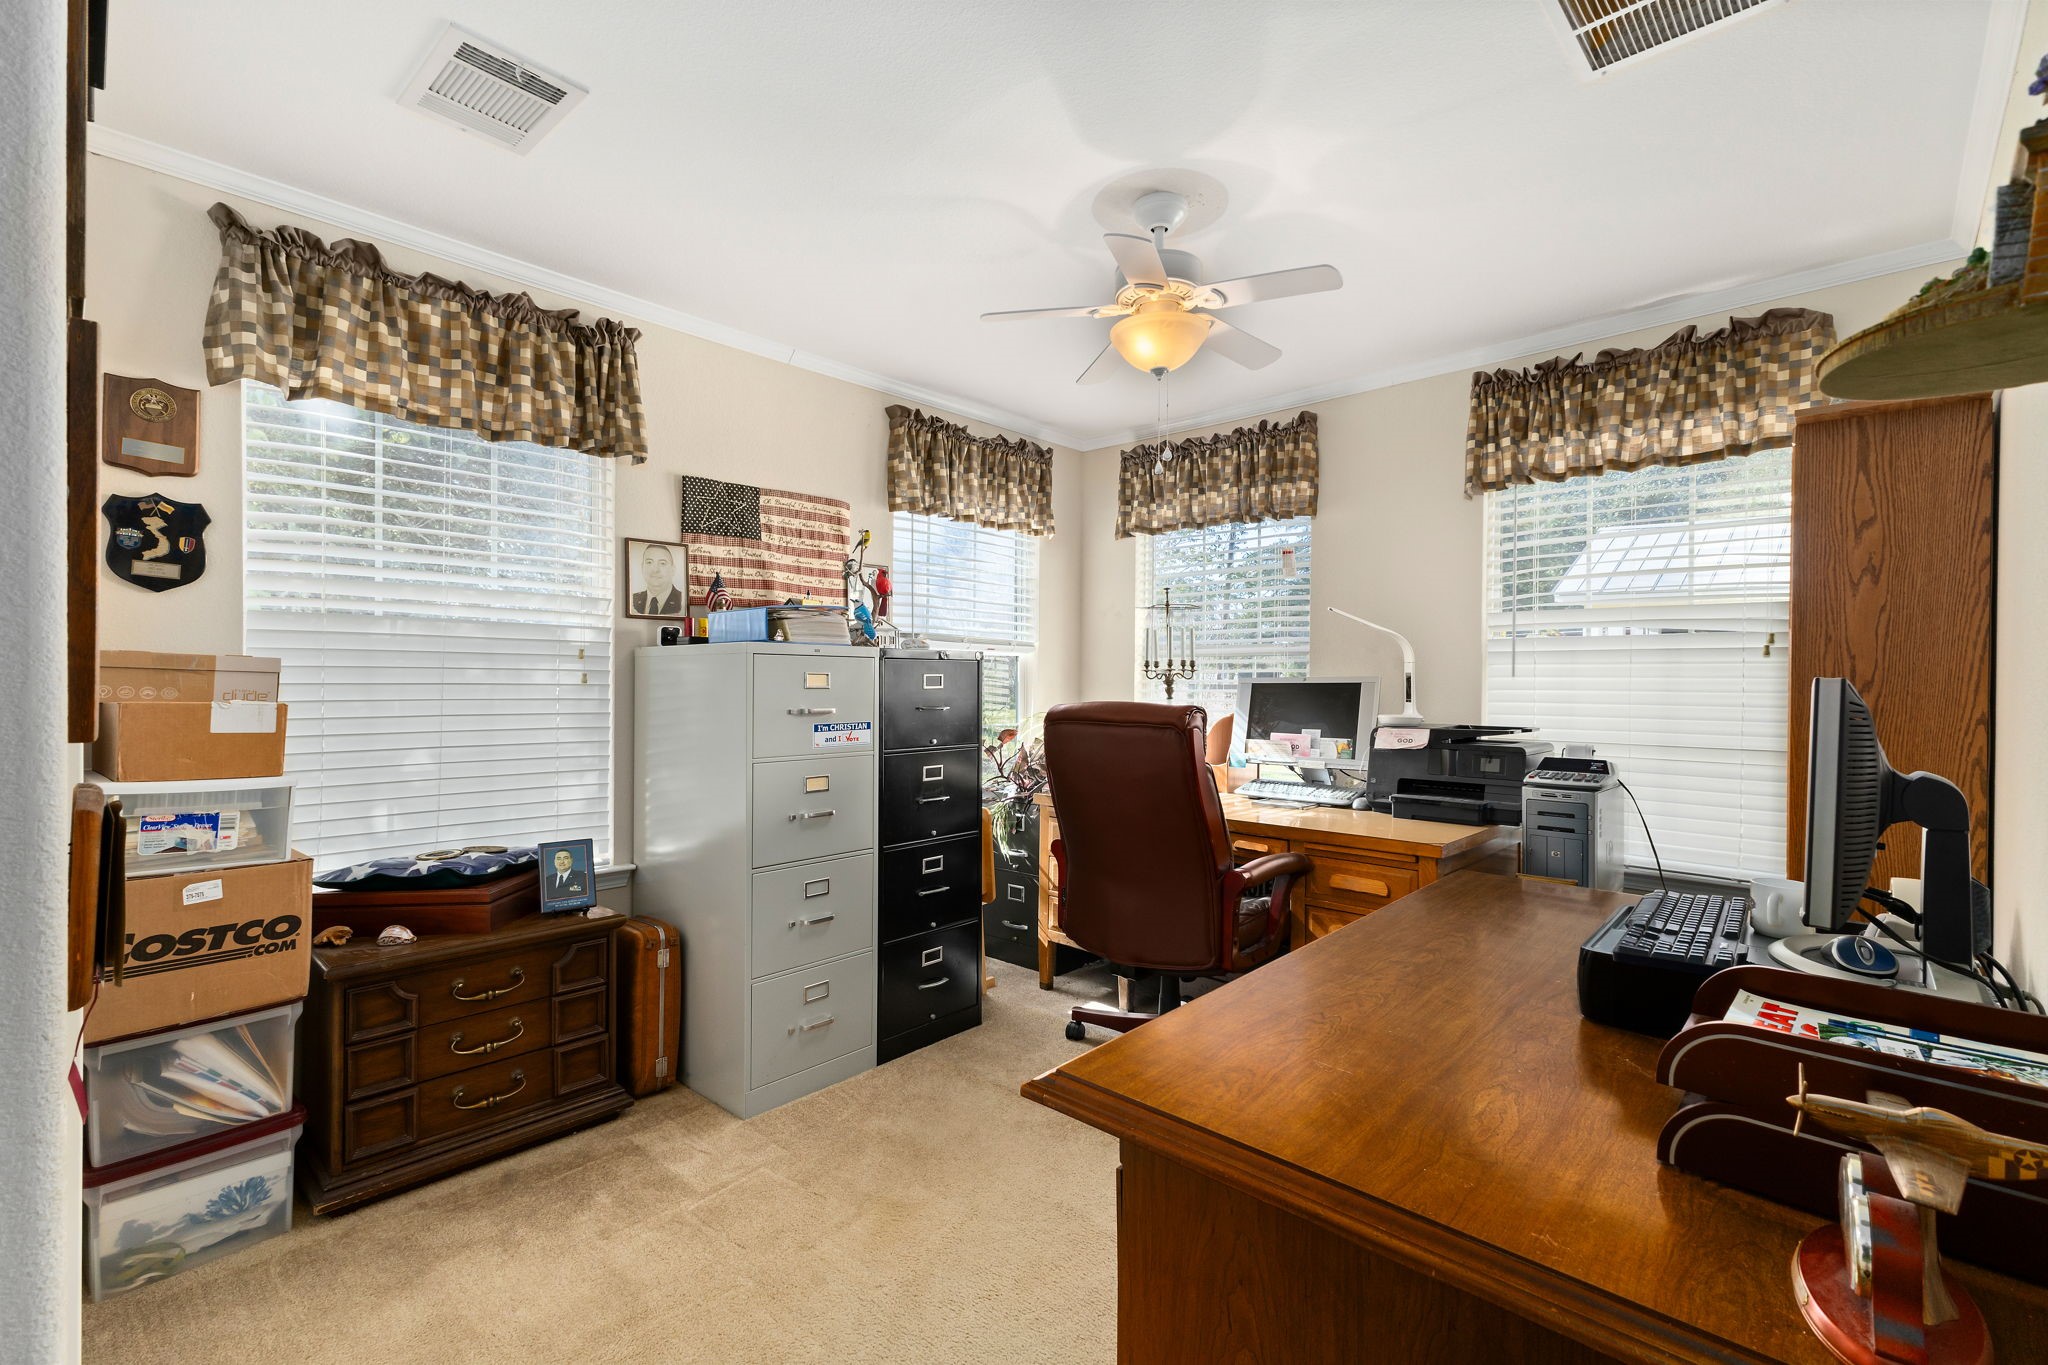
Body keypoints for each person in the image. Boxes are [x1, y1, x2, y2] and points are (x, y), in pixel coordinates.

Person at [632, 543, 684, 616]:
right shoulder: (632, 600)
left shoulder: (682, 600)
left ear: (673, 569)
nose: (655, 570)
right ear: (642, 567)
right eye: (649, 562)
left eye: (662, 563)